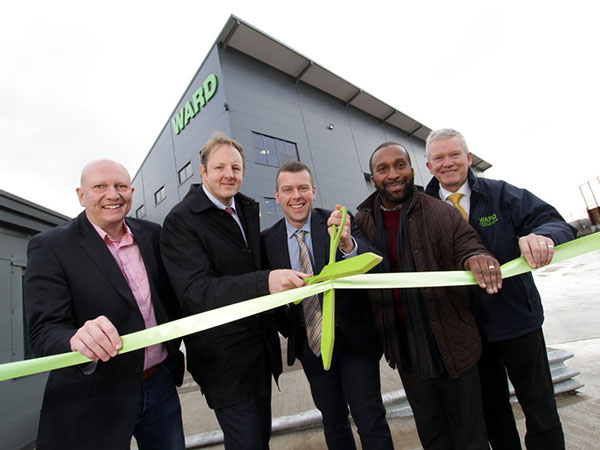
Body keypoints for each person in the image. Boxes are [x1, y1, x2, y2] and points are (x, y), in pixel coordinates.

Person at [425, 128, 577, 450]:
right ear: (429, 166)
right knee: (492, 412)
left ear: (468, 158)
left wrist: (542, 237)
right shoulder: (423, 210)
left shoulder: (501, 195)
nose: (448, 163)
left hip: (516, 321)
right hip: (466, 332)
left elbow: (555, 222)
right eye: (439, 158)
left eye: (454, 155)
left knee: (540, 408)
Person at [24, 160, 185, 450]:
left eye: (120, 186)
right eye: (100, 186)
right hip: (96, 395)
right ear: (81, 195)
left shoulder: (152, 235)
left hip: (159, 386)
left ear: (131, 191)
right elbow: (43, 331)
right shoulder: (51, 247)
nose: (113, 195)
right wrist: (75, 338)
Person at [159, 132, 306, 450]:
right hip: (223, 360)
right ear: (203, 172)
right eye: (220, 167)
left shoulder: (245, 209)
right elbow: (194, 292)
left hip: (259, 353)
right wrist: (264, 282)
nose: (229, 175)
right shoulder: (181, 221)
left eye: (236, 168)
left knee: (260, 439)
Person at [355, 142, 503, 450]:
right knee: (433, 436)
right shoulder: (362, 221)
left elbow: (469, 244)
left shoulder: (441, 211)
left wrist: (475, 257)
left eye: (400, 165)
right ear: (372, 179)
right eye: (383, 169)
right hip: (408, 352)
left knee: (471, 438)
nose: (393, 174)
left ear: (412, 170)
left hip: (454, 345)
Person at [261, 161, 394, 450]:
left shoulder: (338, 222)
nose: (296, 196)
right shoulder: (267, 241)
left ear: (313, 191)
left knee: (369, 416)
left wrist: (347, 244)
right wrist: (293, 329)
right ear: (277, 195)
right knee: (332, 421)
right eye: (288, 190)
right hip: (311, 344)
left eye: (303, 188)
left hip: (353, 341)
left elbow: (376, 264)